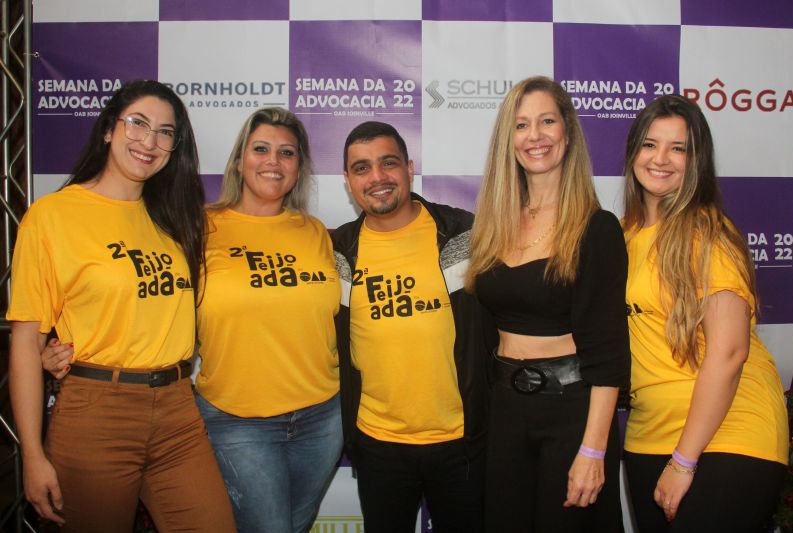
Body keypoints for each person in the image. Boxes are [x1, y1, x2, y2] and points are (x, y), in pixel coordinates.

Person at [7, 80, 235, 532]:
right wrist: (31, 454)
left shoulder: (176, 218)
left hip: (177, 409)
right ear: (110, 129)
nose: (149, 141)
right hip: (96, 412)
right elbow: (26, 342)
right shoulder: (52, 216)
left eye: (165, 132)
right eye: (138, 124)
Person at [465, 76, 630, 532]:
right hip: (504, 411)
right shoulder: (492, 225)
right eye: (521, 125)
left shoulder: (596, 228)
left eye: (547, 121)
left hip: (571, 413)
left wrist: (593, 450)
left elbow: (609, 352)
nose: (534, 135)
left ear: (568, 131)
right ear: (508, 139)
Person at [621, 95, 788, 532]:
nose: (661, 158)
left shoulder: (708, 233)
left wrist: (684, 460)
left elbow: (729, 353)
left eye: (678, 148)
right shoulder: (622, 236)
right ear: (633, 152)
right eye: (650, 144)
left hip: (727, 437)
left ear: (696, 161)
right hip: (647, 435)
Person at [332, 121, 494, 532]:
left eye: (388, 163)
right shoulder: (337, 252)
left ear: (409, 167)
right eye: (362, 168)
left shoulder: (465, 233)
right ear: (348, 180)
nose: (377, 177)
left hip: (462, 441)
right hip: (377, 443)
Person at [194, 107, 342, 533]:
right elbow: (150, 300)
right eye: (261, 149)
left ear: (299, 168)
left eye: (287, 153)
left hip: (322, 417)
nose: (273, 161)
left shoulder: (315, 232)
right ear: (240, 160)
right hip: (236, 418)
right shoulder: (199, 228)